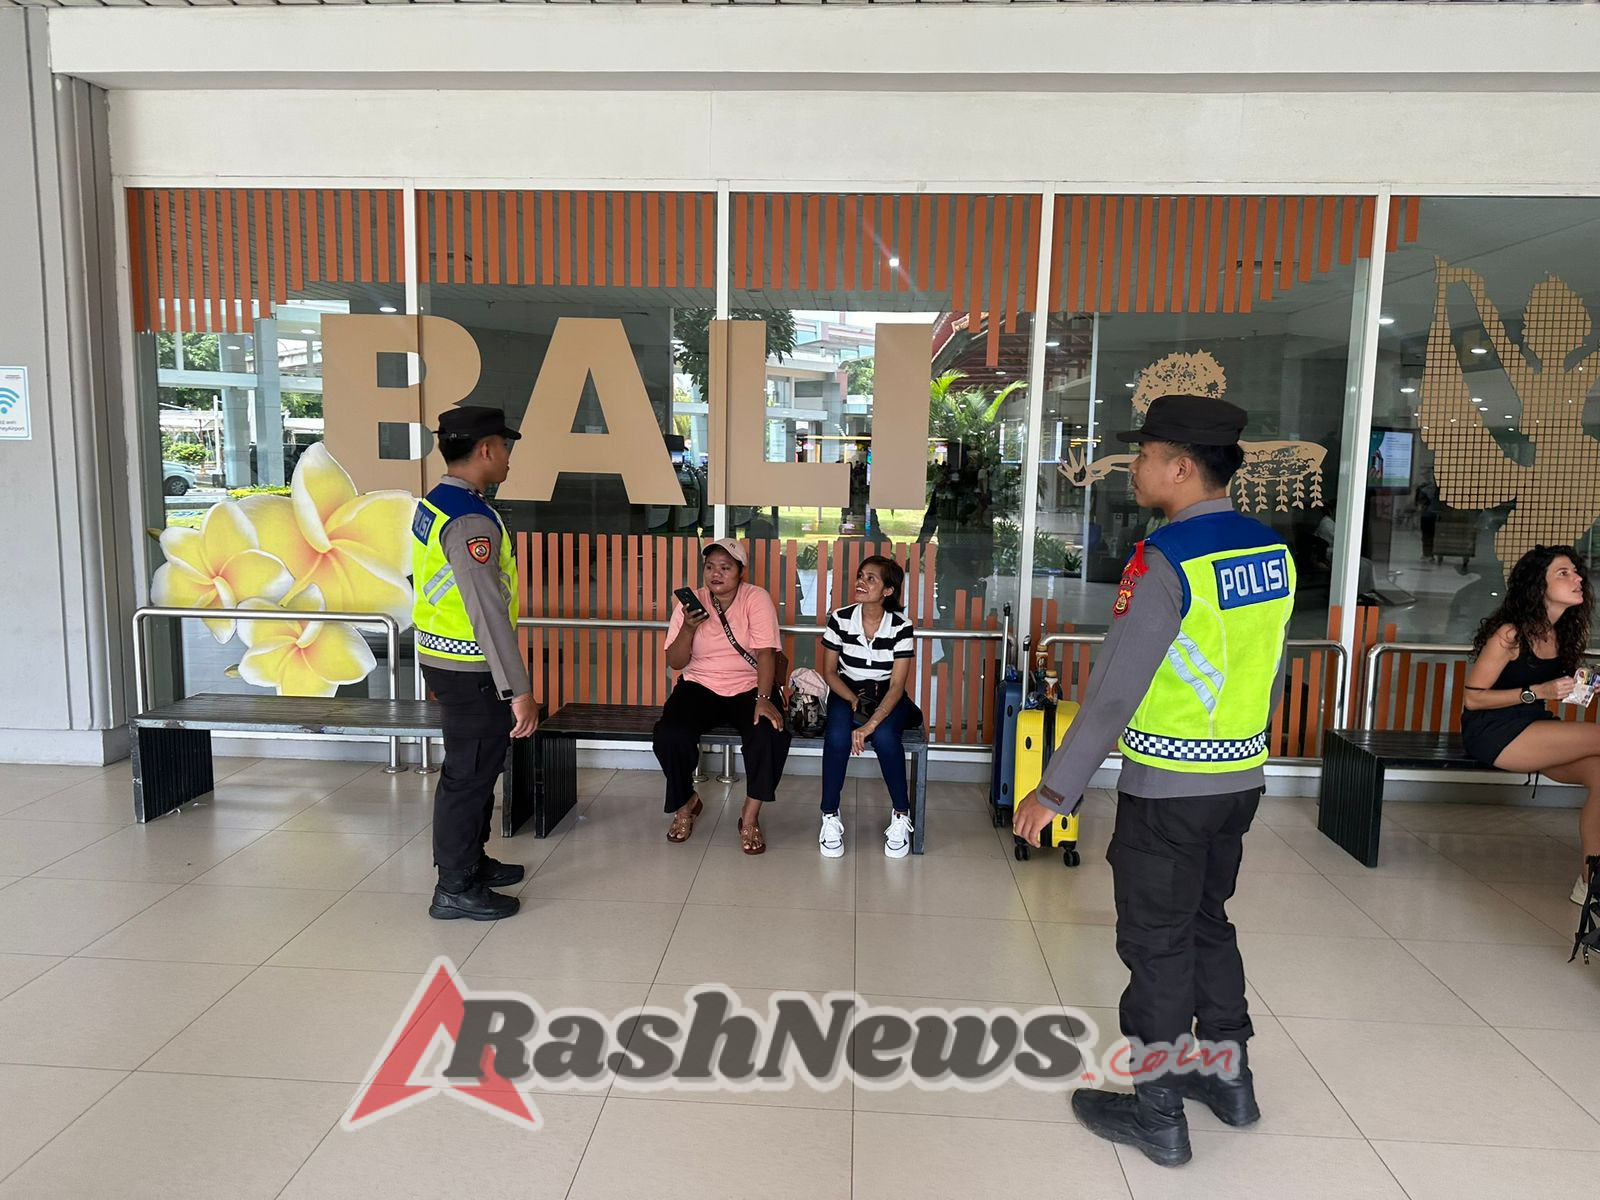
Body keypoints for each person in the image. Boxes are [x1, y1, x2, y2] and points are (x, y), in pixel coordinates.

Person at [1013, 394, 1294, 1168]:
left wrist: (1054, 790)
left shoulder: (1168, 559)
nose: (1132, 467)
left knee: (1157, 946)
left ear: (1181, 467)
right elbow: (1268, 668)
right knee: (1208, 924)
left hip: (1169, 789)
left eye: (1143, 456)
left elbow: (1114, 690)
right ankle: (1230, 1081)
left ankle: (1158, 1111)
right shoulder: (1271, 551)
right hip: (1238, 781)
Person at [412, 406, 539, 922]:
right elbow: (486, 611)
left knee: (478, 769)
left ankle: (472, 860)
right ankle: (455, 886)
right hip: (472, 667)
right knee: (469, 774)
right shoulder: (469, 519)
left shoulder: (437, 503)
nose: (508, 457)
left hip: (446, 657)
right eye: (505, 447)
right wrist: (519, 690)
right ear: (486, 449)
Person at [1461, 545, 1597, 904]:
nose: (1577, 579)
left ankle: (1590, 885)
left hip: (1533, 725)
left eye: (1576, 572)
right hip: (1494, 731)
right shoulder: (1510, 634)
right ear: (1539, 585)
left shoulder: (1562, 632)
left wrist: (1577, 687)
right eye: (1564, 573)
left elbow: (1550, 689)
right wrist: (1537, 692)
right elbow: (1473, 699)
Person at [654, 539, 791, 854]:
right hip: (699, 685)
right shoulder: (692, 603)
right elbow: (675, 662)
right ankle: (685, 804)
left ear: (741, 572)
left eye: (725, 567)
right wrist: (689, 628)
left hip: (750, 685)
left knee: (769, 733)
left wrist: (763, 697)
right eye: (710, 567)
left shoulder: (755, 598)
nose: (716, 574)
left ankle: (750, 815)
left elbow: (766, 653)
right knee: (669, 734)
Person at [817, 556, 923, 859]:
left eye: (871, 579)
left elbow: (897, 686)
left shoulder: (901, 626)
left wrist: (870, 723)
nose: (860, 582)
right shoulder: (840, 618)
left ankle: (901, 815)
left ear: (888, 590)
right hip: (846, 690)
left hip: (887, 694)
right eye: (860, 576)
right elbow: (829, 673)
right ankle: (829, 816)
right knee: (837, 736)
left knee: (887, 737)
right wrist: (853, 700)